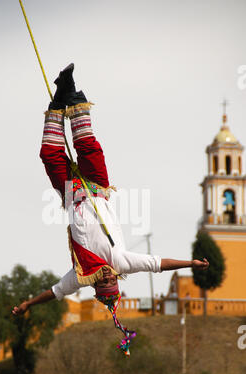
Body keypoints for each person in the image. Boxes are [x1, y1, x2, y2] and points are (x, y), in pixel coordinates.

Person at [12, 64, 209, 355]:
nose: (107, 277)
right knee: (87, 146)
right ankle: (73, 93)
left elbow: (55, 292)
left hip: (71, 194)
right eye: (110, 280)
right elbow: (156, 264)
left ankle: (58, 101)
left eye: (103, 282)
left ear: (96, 286)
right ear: (116, 278)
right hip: (97, 186)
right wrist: (190, 264)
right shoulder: (121, 261)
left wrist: (29, 304)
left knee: (49, 154)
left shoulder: (80, 276)